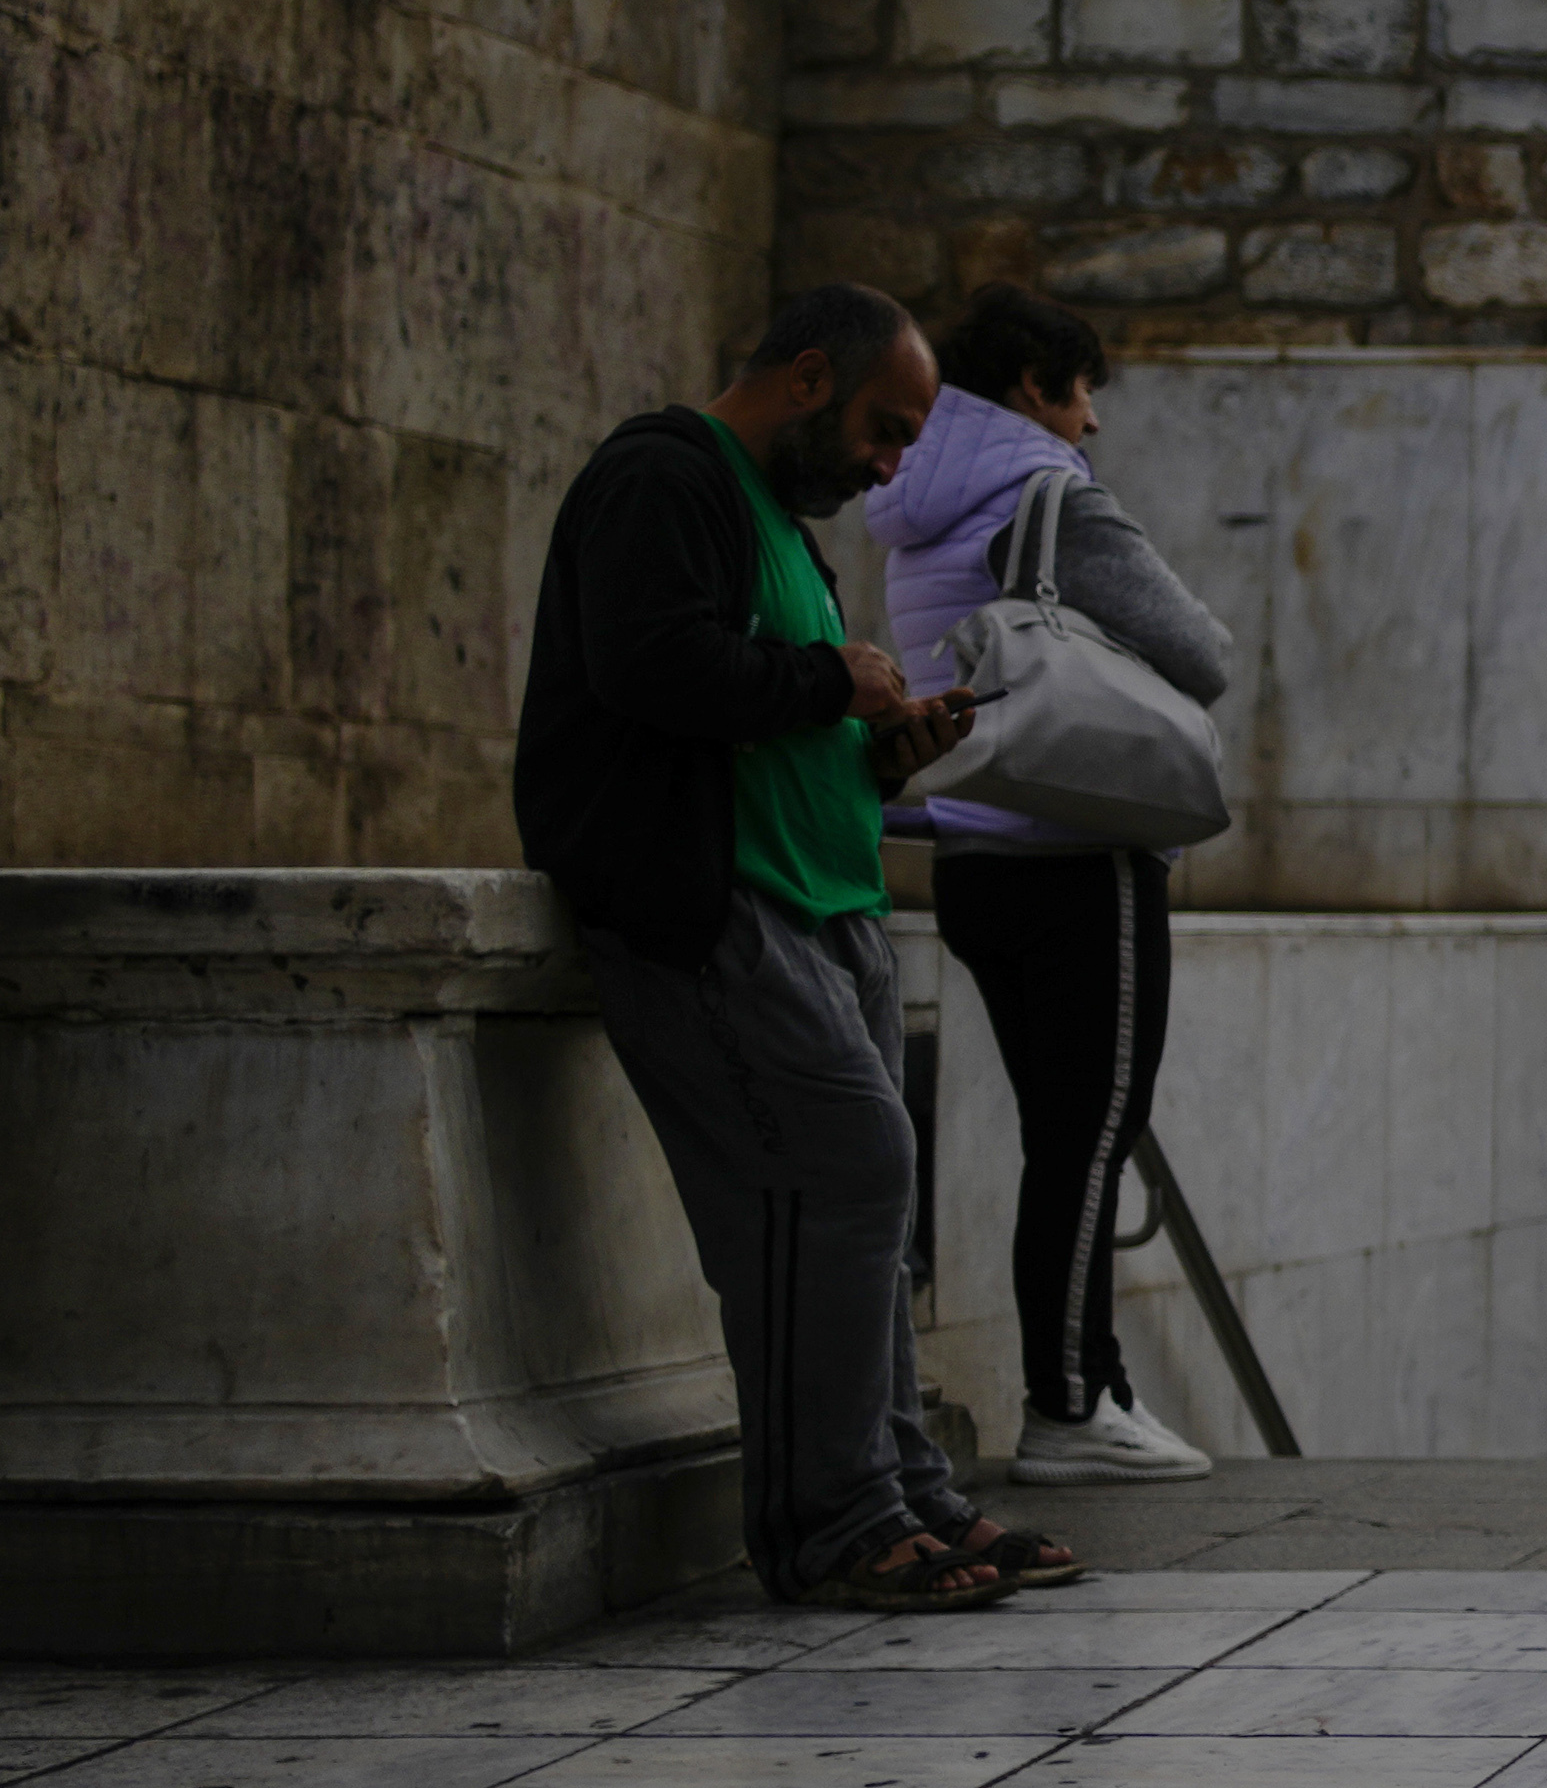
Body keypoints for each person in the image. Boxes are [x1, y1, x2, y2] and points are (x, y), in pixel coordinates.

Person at [514, 287, 1077, 1612]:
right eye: (885, 431)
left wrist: (877, 744)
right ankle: (826, 1524)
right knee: (829, 1182)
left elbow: (755, 708)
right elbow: (652, 668)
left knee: (867, 1206)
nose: (891, 466)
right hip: (713, 914)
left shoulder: (777, 523)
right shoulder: (662, 476)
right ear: (808, 380)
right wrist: (839, 683)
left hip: (824, 909)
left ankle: (903, 1494)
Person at [874, 284, 1240, 1490]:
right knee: (1090, 1140)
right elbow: (1200, 654)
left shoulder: (912, 505)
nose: (1090, 422)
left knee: (1061, 1138)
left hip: (972, 854)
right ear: (1035, 387)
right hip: (1080, 853)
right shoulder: (1052, 493)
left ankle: (1095, 1385)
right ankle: (1071, 1405)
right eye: (1081, 393)